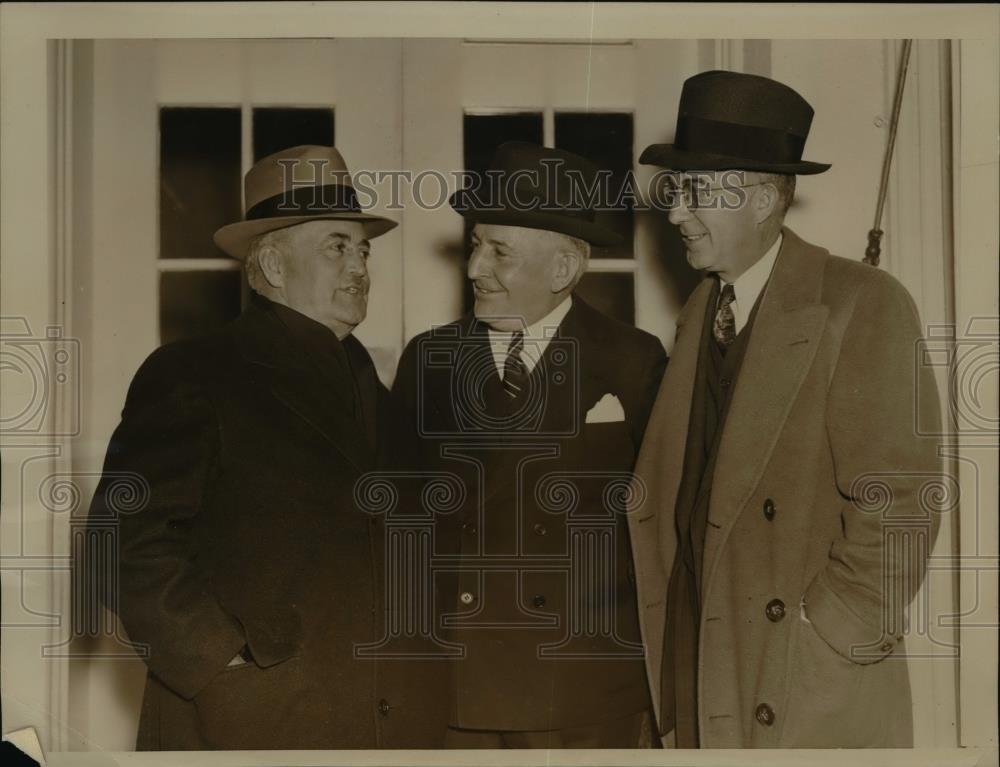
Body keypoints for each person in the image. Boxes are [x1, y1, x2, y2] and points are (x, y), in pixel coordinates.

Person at [628, 70, 943, 748]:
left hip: (802, 684)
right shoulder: (699, 313)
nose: (677, 212)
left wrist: (828, 630)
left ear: (765, 198)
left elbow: (901, 503)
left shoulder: (861, 302)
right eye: (676, 191)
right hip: (705, 672)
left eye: (697, 191)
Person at [87, 145, 416, 749]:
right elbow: (122, 542)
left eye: (363, 248)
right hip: (239, 720)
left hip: (364, 721)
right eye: (336, 246)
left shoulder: (373, 385)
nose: (359, 267)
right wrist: (219, 657)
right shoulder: (193, 372)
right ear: (270, 264)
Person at [391, 142, 667, 748]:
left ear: (563, 268)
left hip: (582, 686)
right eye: (475, 244)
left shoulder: (632, 359)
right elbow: (397, 520)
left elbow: (661, 525)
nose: (473, 268)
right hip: (454, 682)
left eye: (500, 251)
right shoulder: (428, 360)